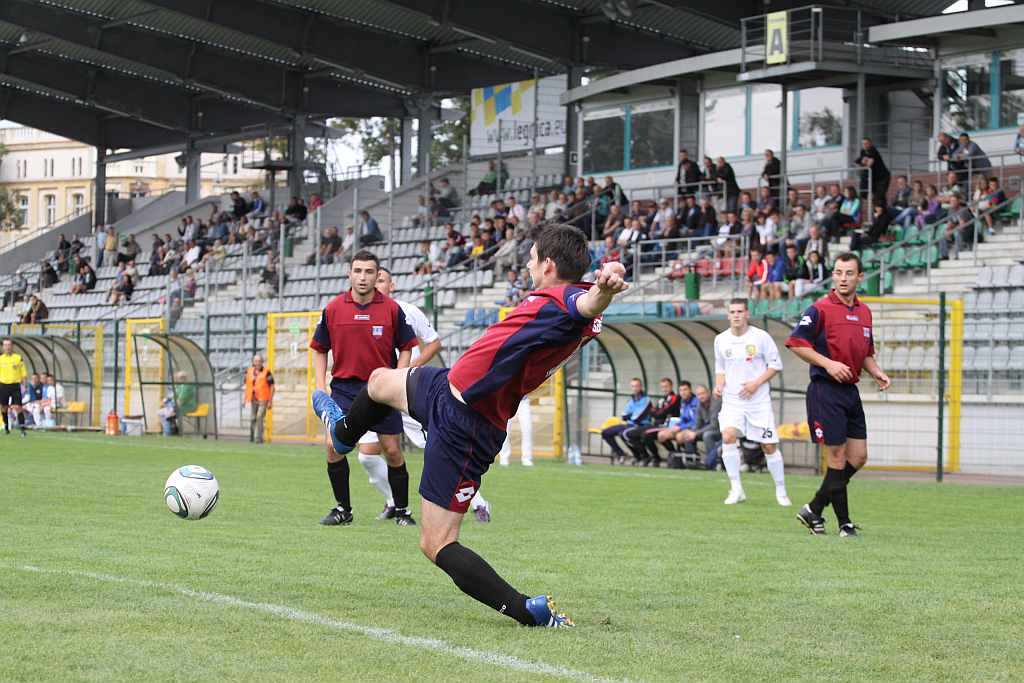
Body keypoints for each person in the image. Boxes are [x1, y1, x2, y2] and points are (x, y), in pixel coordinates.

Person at [311, 225, 627, 627]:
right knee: (378, 381)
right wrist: (609, 272)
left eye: (531, 257)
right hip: (447, 388)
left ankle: (528, 611)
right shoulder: (561, 296)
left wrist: (606, 288)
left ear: (548, 265)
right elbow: (590, 296)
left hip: (468, 425)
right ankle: (342, 434)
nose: (526, 263)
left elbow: (588, 303)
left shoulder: (564, 302)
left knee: (436, 542)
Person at [309, 250, 419, 528]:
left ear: (377, 275)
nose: (363, 277)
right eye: (358, 271)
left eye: (369, 272)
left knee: (392, 450)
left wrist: (398, 378)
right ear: (349, 273)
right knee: (334, 447)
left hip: (382, 388)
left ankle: (402, 511)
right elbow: (320, 349)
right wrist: (321, 387)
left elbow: (407, 347)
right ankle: (343, 509)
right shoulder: (333, 308)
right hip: (345, 390)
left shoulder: (392, 309)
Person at [787, 253, 890, 537]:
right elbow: (796, 343)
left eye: (849, 273)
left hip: (850, 392)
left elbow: (865, 352)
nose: (843, 278)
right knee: (836, 456)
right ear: (833, 276)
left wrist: (876, 371)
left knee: (858, 457)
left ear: (859, 277)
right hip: (825, 390)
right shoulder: (819, 309)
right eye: (838, 272)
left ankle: (815, 508)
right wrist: (828, 364)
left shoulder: (865, 312)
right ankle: (844, 524)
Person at [713, 299, 790, 506]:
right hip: (732, 401)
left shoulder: (761, 337)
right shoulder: (720, 340)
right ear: (728, 315)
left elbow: (775, 365)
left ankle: (781, 491)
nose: (736, 315)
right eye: (732, 312)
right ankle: (736, 489)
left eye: (740, 311)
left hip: (758, 402)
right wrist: (719, 385)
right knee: (728, 436)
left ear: (747, 314)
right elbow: (720, 368)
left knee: (769, 446)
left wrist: (756, 383)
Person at [627, 378, 680, 467]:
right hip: (656, 425)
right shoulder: (661, 400)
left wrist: (656, 413)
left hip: (667, 426)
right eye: (662, 387)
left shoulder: (674, 398)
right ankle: (644, 456)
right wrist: (656, 413)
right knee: (631, 434)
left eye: (666, 386)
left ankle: (660, 456)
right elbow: (652, 411)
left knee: (646, 435)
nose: (664, 389)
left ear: (671, 386)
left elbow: (662, 412)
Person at [600, 378, 651, 465]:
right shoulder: (631, 400)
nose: (635, 388)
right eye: (633, 386)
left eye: (636, 386)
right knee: (605, 433)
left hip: (641, 425)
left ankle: (643, 456)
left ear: (640, 387)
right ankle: (621, 454)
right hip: (629, 424)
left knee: (623, 433)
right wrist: (631, 415)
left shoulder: (646, 400)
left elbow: (638, 417)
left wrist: (630, 415)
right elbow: (624, 416)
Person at [0, 338, 28, 437]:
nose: (7, 347)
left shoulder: (18, 358)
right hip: (3, 385)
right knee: (4, 408)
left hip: (15, 385)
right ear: (3, 347)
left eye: (9, 345)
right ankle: (6, 425)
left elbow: (23, 373)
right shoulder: (1, 359)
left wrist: (24, 384)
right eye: (5, 345)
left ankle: (23, 429)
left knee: (18, 407)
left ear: (12, 346)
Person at [245, 354, 275, 444]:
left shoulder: (267, 372)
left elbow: (272, 386)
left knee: (259, 417)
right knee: (252, 418)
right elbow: (247, 384)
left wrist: (270, 400)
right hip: (253, 398)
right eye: (255, 361)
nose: (257, 363)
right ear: (253, 362)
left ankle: (259, 438)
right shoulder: (249, 371)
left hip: (263, 398)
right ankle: (252, 436)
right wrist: (245, 399)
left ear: (262, 362)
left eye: (259, 361)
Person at [854, 137, 890, 207]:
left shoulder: (873, 150)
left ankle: (882, 213)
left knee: (878, 197)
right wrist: (862, 162)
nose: (865, 145)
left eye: (866, 143)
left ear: (870, 144)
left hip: (882, 178)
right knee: (865, 194)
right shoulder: (863, 151)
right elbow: (856, 163)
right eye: (863, 144)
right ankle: (882, 212)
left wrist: (863, 163)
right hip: (873, 178)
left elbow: (869, 164)